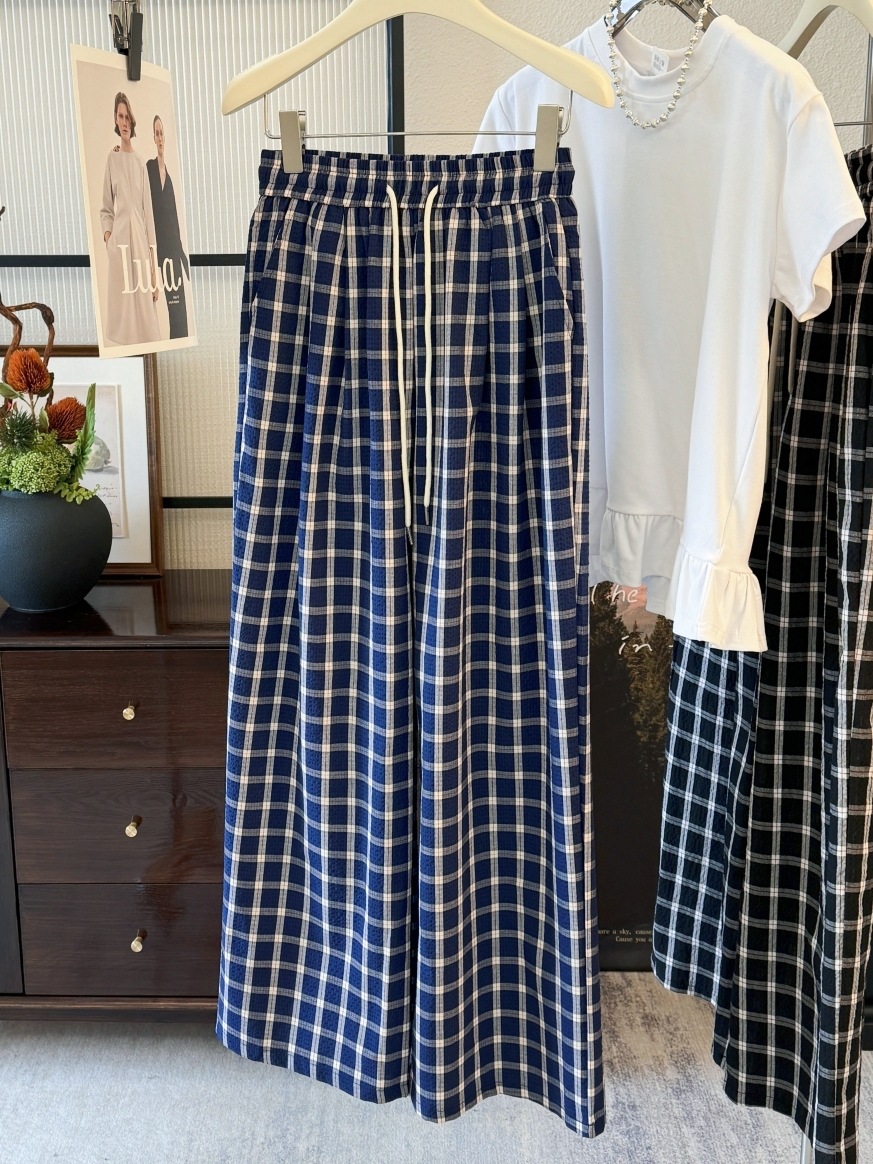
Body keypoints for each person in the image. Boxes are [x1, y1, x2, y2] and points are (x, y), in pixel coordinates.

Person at [99, 92, 160, 346]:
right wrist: (109, 239)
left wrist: (154, 272)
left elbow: (149, 218)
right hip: (120, 249)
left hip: (141, 250)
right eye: (120, 116)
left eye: (127, 117)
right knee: (122, 328)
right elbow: (106, 209)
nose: (124, 122)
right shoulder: (111, 159)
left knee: (147, 328)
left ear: (132, 121)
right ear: (115, 119)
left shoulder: (140, 164)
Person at [146, 115, 190, 339]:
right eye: (157, 133)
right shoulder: (148, 168)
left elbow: (175, 220)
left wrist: (183, 255)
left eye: (162, 132)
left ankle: (178, 339)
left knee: (178, 305)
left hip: (173, 249)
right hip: (157, 247)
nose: (160, 137)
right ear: (153, 138)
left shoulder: (170, 179)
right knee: (154, 303)